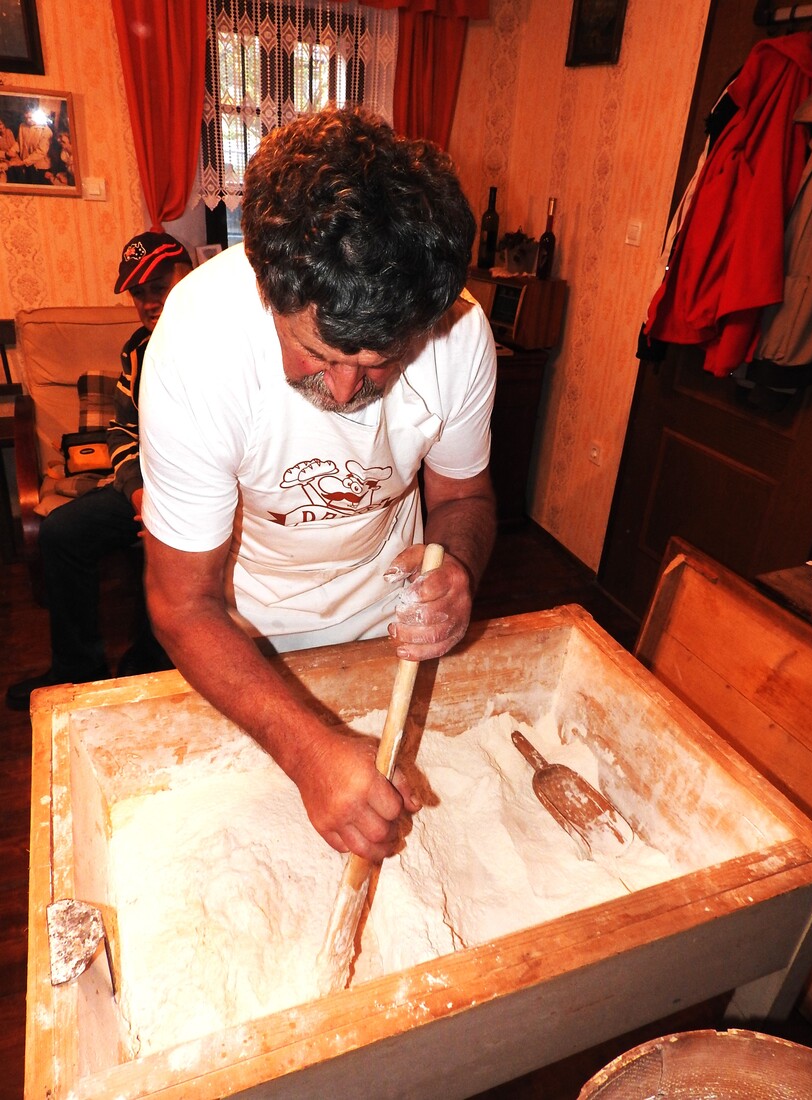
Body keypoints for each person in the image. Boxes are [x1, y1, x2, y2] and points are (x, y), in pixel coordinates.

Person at [139, 107, 498, 865]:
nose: (342, 392)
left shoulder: (461, 335)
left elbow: (463, 499)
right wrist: (305, 748)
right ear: (267, 290)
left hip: (388, 629)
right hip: (246, 643)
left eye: (378, 364)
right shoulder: (198, 343)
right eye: (316, 354)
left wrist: (457, 569)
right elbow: (182, 604)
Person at [6, 232, 193, 711]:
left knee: (168, 543)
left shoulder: (226, 342)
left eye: (158, 286)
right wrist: (137, 493)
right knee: (61, 531)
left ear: (188, 274)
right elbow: (122, 431)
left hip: (202, 492)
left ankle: (150, 664)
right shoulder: (137, 350)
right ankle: (76, 670)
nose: (148, 302)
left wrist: (169, 505)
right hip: (145, 486)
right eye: (138, 293)